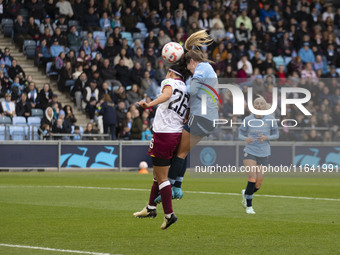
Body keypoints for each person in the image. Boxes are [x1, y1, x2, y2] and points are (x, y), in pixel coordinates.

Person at [156, 30, 219, 203]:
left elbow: (193, 91)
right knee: (183, 151)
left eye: (189, 67)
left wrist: (177, 86)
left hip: (202, 117)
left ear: (192, 61)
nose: (190, 71)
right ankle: (177, 186)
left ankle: (168, 188)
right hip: (207, 117)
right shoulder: (207, 69)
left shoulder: (201, 68)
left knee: (179, 153)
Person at [133, 64, 189, 230]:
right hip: (176, 133)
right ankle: (150, 208)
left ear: (172, 73)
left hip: (164, 133)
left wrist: (149, 105)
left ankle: (169, 214)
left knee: (162, 177)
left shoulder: (169, 82)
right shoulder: (186, 87)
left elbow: (167, 94)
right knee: (158, 175)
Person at [239, 97, 279, 214]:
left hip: (264, 153)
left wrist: (267, 138)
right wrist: (245, 138)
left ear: (265, 106)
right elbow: (240, 134)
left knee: (258, 184)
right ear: (253, 106)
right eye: (256, 103)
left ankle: (246, 193)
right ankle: (249, 207)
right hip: (250, 151)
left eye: (262, 103)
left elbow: (276, 134)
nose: (259, 105)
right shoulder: (248, 119)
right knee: (252, 178)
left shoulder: (271, 119)